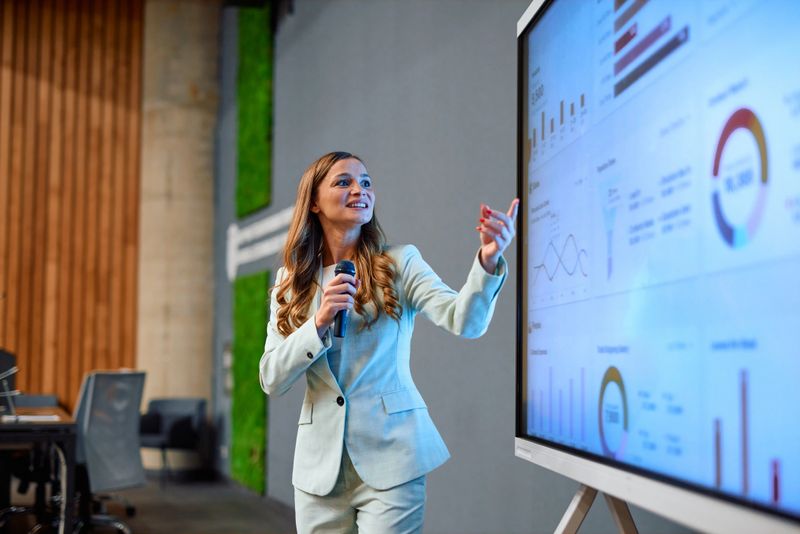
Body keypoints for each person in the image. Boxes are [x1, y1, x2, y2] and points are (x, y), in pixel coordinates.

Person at [259, 151, 518, 533]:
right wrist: (319, 322)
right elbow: (271, 378)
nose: (359, 190)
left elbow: (464, 321)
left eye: (365, 182)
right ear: (313, 202)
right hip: (319, 471)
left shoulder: (399, 263)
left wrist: (488, 260)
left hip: (394, 457)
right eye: (343, 182)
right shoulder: (290, 282)